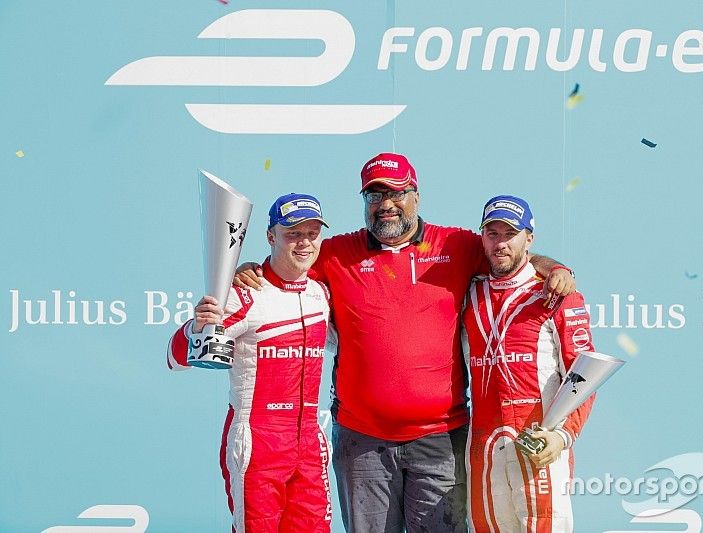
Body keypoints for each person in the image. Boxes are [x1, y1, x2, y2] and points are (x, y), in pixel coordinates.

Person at [234, 153, 576, 532]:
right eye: (375, 196)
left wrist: (556, 268)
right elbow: (287, 264)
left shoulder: (457, 245)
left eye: (397, 193)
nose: (387, 205)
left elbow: (511, 255)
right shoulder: (335, 252)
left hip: (440, 439)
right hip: (361, 441)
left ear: (416, 195)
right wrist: (251, 268)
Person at [167, 193, 333, 533]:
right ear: (271, 236)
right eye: (293, 233)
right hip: (258, 442)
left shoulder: (320, 293)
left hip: (309, 441)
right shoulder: (244, 294)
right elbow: (176, 358)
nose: (304, 242)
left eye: (312, 233)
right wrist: (198, 327)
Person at [462, 195, 594, 532]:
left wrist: (563, 436)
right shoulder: (467, 295)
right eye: (492, 234)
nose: (500, 243)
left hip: (538, 445)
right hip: (484, 451)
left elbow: (585, 376)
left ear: (529, 238)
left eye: (510, 234)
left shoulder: (557, 294)